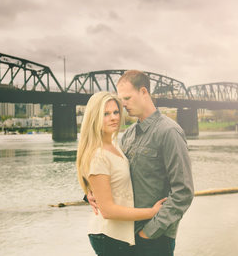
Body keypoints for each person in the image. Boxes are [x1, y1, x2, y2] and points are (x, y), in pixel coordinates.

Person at [89, 70, 194, 256]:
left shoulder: (169, 132)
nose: (123, 105)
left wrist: (149, 232)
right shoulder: (128, 135)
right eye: (121, 99)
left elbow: (183, 192)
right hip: (127, 236)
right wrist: (91, 192)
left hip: (156, 239)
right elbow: (115, 176)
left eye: (127, 98)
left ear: (144, 92)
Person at [76, 91, 167, 256]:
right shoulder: (98, 155)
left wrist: (90, 192)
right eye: (106, 114)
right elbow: (108, 210)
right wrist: (152, 212)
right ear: (94, 117)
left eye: (116, 112)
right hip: (109, 236)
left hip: (120, 236)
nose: (113, 118)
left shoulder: (113, 144)